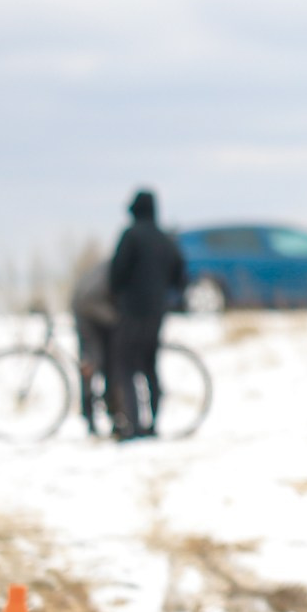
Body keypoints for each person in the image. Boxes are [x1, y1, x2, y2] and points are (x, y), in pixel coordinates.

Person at [105, 189, 188, 441]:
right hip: (157, 313)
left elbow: (116, 273)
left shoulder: (130, 236)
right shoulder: (165, 239)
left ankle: (133, 425)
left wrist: (118, 296)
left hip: (132, 311)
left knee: (126, 366)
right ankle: (153, 424)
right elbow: (180, 276)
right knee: (150, 367)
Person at [70, 260, 116, 437]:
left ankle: (92, 416)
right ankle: (91, 415)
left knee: (91, 360)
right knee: (93, 361)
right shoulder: (118, 267)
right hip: (89, 306)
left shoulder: (109, 265)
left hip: (84, 304)